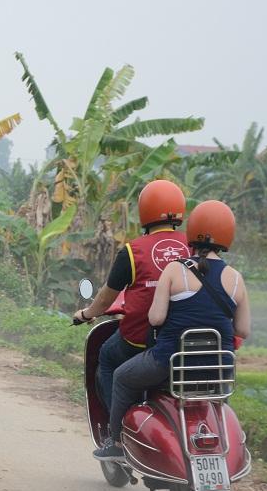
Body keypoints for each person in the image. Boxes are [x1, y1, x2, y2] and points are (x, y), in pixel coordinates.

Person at [93, 200, 251, 460]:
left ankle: (116, 443)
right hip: (217, 367)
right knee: (215, 398)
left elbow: (155, 318)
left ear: (192, 232)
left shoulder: (175, 269)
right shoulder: (236, 278)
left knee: (121, 376)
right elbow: (243, 330)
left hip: (169, 362)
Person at [75, 180, 190, 413]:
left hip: (141, 340)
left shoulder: (132, 250)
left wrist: (86, 314)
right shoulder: (194, 246)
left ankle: (115, 427)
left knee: (106, 356)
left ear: (144, 211)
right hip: (186, 338)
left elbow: (106, 299)